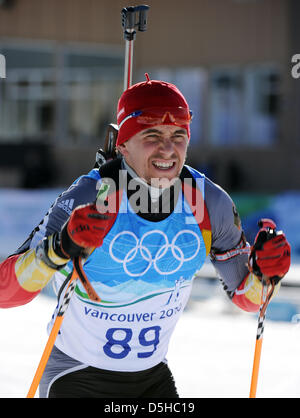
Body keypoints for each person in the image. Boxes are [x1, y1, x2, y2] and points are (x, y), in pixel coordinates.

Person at [0, 75, 291, 398]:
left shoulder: (208, 201)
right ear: (122, 143)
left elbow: (248, 299)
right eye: (152, 135)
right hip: (78, 377)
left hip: (152, 380)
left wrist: (268, 273)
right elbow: (6, 293)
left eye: (179, 135)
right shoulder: (89, 196)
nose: (168, 148)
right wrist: (59, 248)